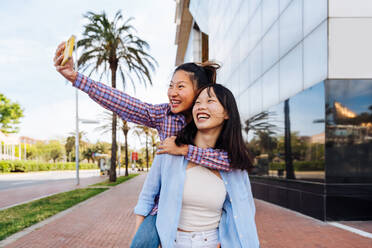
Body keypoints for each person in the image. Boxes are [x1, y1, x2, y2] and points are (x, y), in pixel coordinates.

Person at [53, 42, 232, 246]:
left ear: (200, 91)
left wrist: (184, 150)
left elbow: (232, 159)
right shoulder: (165, 116)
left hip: (206, 220)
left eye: (180, 87)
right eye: (171, 85)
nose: (172, 92)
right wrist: (76, 77)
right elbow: (124, 103)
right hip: (164, 209)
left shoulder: (215, 121)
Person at [134, 84, 260, 248]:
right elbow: (146, 199)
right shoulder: (170, 149)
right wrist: (142, 238)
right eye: (197, 103)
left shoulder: (233, 165)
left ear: (227, 113)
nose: (201, 107)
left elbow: (245, 212)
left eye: (210, 101)